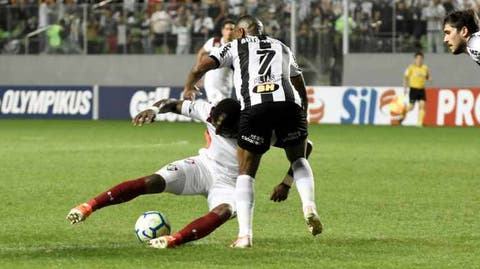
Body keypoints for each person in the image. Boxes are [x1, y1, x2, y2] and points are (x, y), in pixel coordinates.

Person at [67, 98, 313, 249]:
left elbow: (305, 147)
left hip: (231, 183)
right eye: (216, 127)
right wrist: (153, 110)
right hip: (202, 167)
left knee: (224, 211)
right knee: (153, 181)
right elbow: (172, 103)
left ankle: (174, 240)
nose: (221, 133)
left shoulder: (259, 127)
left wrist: (286, 183)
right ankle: (88, 207)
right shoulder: (208, 110)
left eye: (226, 131)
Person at [182, 15, 322, 248]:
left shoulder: (235, 45)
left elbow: (201, 66)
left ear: (241, 32)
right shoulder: (281, 46)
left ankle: (245, 236)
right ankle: (309, 206)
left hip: (255, 107)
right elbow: (299, 83)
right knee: (298, 157)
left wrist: (189, 86)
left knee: (246, 171)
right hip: (290, 105)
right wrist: (303, 113)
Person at [195, 19, 235, 104]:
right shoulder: (214, 42)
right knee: (215, 106)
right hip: (210, 80)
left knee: (222, 106)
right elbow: (201, 53)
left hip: (226, 81)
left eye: (232, 29)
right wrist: (199, 74)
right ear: (222, 31)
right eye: (227, 29)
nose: (229, 32)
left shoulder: (236, 45)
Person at [401, 52, 431, 127]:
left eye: (421, 59)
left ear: (423, 60)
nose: (419, 60)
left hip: (421, 89)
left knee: (422, 105)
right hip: (413, 89)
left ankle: (419, 123)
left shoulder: (425, 68)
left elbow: (427, 76)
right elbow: (405, 77)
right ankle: (403, 113)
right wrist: (405, 87)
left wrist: (429, 79)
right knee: (411, 107)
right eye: (418, 59)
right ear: (415, 59)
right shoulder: (411, 67)